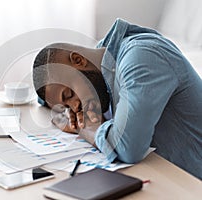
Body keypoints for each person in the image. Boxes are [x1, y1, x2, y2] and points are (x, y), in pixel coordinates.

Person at [32, 19, 202, 179]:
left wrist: (86, 129)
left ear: (78, 60)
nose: (75, 107)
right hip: (163, 175)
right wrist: (63, 109)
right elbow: (46, 95)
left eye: (69, 95)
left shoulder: (139, 59)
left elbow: (128, 148)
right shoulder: (101, 64)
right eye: (66, 106)